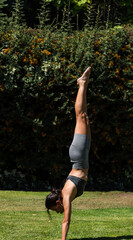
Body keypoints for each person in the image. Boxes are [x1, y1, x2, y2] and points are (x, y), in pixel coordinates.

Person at [45, 67, 92, 240]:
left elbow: (66, 221)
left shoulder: (65, 196)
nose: (59, 212)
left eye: (55, 210)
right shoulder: (66, 194)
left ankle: (81, 84)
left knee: (80, 115)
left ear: (57, 203)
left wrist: (63, 239)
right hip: (82, 155)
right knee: (84, 116)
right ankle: (83, 85)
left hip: (79, 156)